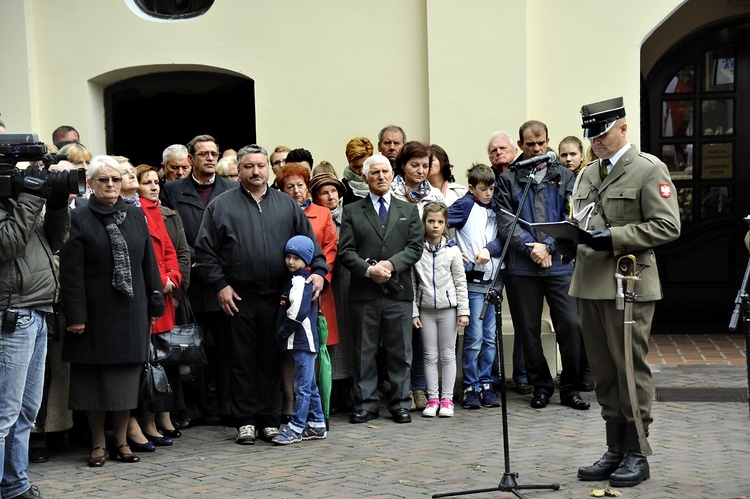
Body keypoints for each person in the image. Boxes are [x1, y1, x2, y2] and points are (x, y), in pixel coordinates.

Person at [565, 97, 680, 487]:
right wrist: (564, 238)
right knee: (603, 372)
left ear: (623, 128)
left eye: (602, 133)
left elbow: (667, 226)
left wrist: (615, 238)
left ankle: (636, 451)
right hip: (589, 284)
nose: (595, 141)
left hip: (627, 284)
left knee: (629, 368)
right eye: (591, 136)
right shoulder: (588, 174)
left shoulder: (648, 169)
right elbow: (579, 220)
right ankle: (614, 447)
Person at [193, 144, 327, 445]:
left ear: (269, 169)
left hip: (279, 296)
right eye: (249, 166)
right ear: (238, 170)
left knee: (270, 357)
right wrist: (220, 285)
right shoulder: (220, 206)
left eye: (261, 166)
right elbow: (204, 252)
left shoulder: (287, 205)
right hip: (238, 296)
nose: (256, 171)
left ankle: (268, 418)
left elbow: (311, 247)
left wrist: (318, 272)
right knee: (240, 359)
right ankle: (244, 420)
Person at [60, 155, 164, 468]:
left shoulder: (135, 216)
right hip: (94, 314)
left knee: (124, 383)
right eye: (103, 180)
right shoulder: (78, 216)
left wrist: (155, 301)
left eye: (115, 179)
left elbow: (149, 265)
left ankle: (121, 441)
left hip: (131, 310)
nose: (110, 185)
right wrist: (76, 315)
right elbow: (71, 272)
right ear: (90, 183)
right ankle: (97, 444)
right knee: (93, 382)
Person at [496, 120, 588, 411]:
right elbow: (504, 219)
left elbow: (571, 216)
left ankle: (570, 388)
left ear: (548, 141)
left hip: (559, 263)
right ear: (521, 146)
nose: (537, 149)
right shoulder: (508, 179)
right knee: (528, 328)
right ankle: (541, 386)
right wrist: (530, 246)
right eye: (530, 145)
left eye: (541, 143)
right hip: (522, 267)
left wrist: (548, 246)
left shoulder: (564, 176)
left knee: (570, 326)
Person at [0, 155, 70, 499]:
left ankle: (14, 485)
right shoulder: (13, 202)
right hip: (10, 312)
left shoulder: (20, 201)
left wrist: (56, 204)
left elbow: (55, 241)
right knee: (4, 413)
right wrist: (30, 197)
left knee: (26, 411)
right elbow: (6, 245)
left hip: (38, 309)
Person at [339, 154, 422, 425]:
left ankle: (400, 403)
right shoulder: (352, 211)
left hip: (398, 293)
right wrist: (368, 270)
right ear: (365, 177)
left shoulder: (408, 210)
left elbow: (415, 248)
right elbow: (346, 252)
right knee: (364, 351)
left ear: (392, 174)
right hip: (364, 293)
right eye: (374, 172)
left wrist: (389, 264)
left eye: (385, 171)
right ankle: (365, 404)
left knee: (400, 352)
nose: (381, 176)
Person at [160, 134, 236, 430]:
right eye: (203, 153)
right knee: (188, 346)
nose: (209, 158)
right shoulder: (172, 190)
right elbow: (169, 231)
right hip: (189, 282)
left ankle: (227, 407)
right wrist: (194, 258)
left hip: (222, 282)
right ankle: (192, 408)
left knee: (227, 349)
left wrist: (214, 263)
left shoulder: (231, 189)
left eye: (213, 153)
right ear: (190, 159)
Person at [276, 163, 339, 422]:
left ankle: (314, 408)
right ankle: (289, 401)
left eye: (300, 184)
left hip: (316, 289)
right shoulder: (277, 212)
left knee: (310, 348)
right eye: (289, 186)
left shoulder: (323, 213)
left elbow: (330, 249)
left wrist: (321, 277)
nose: (296, 190)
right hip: (286, 288)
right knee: (287, 348)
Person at [390, 141, 443, 410]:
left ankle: (420, 388)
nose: (421, 171)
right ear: (402, 165)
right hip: (398, 268)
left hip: (425, 269)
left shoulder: (434, 196)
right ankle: (403, 387)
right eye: (415, 165)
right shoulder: (392, 193)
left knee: (423, 331)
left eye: (425, 166)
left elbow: (443, 231)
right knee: (402, 333)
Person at [134, 164, 185, 445]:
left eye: (156, 182)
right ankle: (146, 422)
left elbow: (171, 250)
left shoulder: (159, 212)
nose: (154, 187)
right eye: (147, 182)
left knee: (161, 361)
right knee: (147, 361)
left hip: (164, 294)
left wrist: (173, 279)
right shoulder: (137, 212)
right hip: (148, 295)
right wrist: (158, 282)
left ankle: (158, 418)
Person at [447, 164, 503, 409]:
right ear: (472, 188)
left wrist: (489, 250)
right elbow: (436, 222)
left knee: (490, 338)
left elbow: (506, 236)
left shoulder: (497, 207)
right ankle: (470, 385)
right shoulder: (465, 205)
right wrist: (452, 249)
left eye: (492, 188)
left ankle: (486, 383)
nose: (489, 193)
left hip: (495, 281)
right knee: (474, 338)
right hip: (474, 282)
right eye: (484, 189)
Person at [411, 202, 469, 418]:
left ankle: (447, 399)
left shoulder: (453, 251)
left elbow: (460, 282)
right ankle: (432, 398)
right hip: (425, 310)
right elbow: (413, 284)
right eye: (431, 221)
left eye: (440, 222)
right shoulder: (417, 251)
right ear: (424, 222)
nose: (435, 226)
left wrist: (464, 311)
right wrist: (414, 311)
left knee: (447, 355)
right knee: (428, 355)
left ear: (445, 224)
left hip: (448, 310)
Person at [272, 236, 327, 445]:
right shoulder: (297, 278)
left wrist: (283, 333)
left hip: (301, 341)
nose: (291, 262)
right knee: (309, 385)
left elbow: (297, 311)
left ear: (306, 260)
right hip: (302, 342)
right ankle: (317, 424)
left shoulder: (298, 280)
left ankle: (295, 428)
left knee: (302, 388)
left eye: (296, 258)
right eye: (288, 257)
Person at [310, 173, 355, 414]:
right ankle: (331, 390)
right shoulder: (313, 217)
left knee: (348, 334)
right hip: (326, 281)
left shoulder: (349, 216)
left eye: (334, 192)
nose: (331, 197)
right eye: (324, 192)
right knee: (329, 334)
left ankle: (347, 389)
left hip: (347, 279)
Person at [555, 136, 596, 392]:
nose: (568, 159)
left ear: (581, 155)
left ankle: (588, 368)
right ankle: (573, 370)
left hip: (588, 257)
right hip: (566, 259)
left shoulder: (590, 178)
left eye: (572, 154)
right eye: (563, 155)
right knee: (571, 321)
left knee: (588, 320)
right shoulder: (557, 179)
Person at [341, 137, 373, 205]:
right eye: (356, 167)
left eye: (365, 165)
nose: (362, 171)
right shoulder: (341, 188)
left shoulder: (382, 183)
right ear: (349, 163)